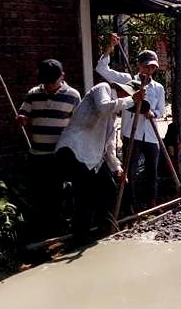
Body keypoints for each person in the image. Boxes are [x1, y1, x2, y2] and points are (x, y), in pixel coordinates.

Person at [55, 80, 146, 245]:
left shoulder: (112, 117)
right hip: (75, 150)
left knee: (108, 188)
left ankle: (101, 229)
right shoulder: (102, 88)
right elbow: (104, 108)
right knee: (85, 198)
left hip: (91, 158)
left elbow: (108, 146)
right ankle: (79, 240)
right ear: (123, 91)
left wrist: (117, 167)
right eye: (128, 98)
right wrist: (132, 99)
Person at [96, 33, 166, 209]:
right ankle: (130, 204)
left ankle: (152, 202)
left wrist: (152, 114)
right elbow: (102, 70)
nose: (148, 71)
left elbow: (161, 111)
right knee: (129, 171)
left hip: (150, 135)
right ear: (139, 66)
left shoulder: (158, 88)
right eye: (145, 67)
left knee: (152, 171)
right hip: (130, 134)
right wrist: (110, 47)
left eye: (152, 68)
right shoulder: (128, 81)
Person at [17, 59, 81, 239]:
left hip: (58, 154)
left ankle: (56, 227)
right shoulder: (33, 94)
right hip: (37, 154)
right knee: (39, 191)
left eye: (52, 82)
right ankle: (41, 228)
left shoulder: (73, 96)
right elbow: (25, 112)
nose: (49, 86)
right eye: (46, 82)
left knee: (56, 193)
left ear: (63, 76)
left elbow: (78, 125)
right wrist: (22, 117)